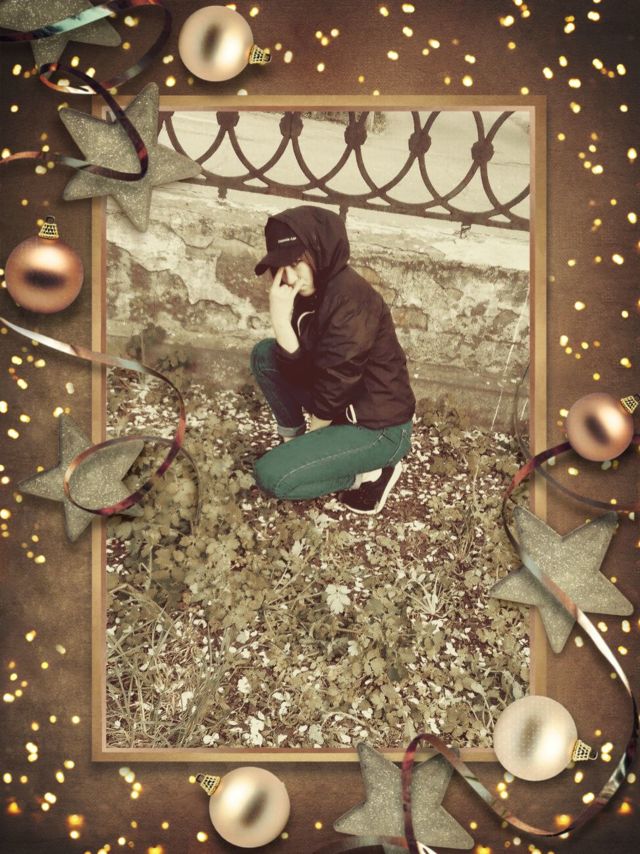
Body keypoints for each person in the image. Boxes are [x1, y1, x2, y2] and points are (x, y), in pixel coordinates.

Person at [250, 204, 415, 515]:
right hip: (341, 407)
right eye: (282, 266)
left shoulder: (351, 301)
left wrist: (309, 450)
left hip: (377, 428)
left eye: (296, 262)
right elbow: (302, 372)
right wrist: (281, 320)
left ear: (320, 251)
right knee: (265, 355)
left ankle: (370, 475)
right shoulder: (310, 291)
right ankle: (292, 442)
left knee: (272, 478)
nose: (289, 277)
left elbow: (332, 389)